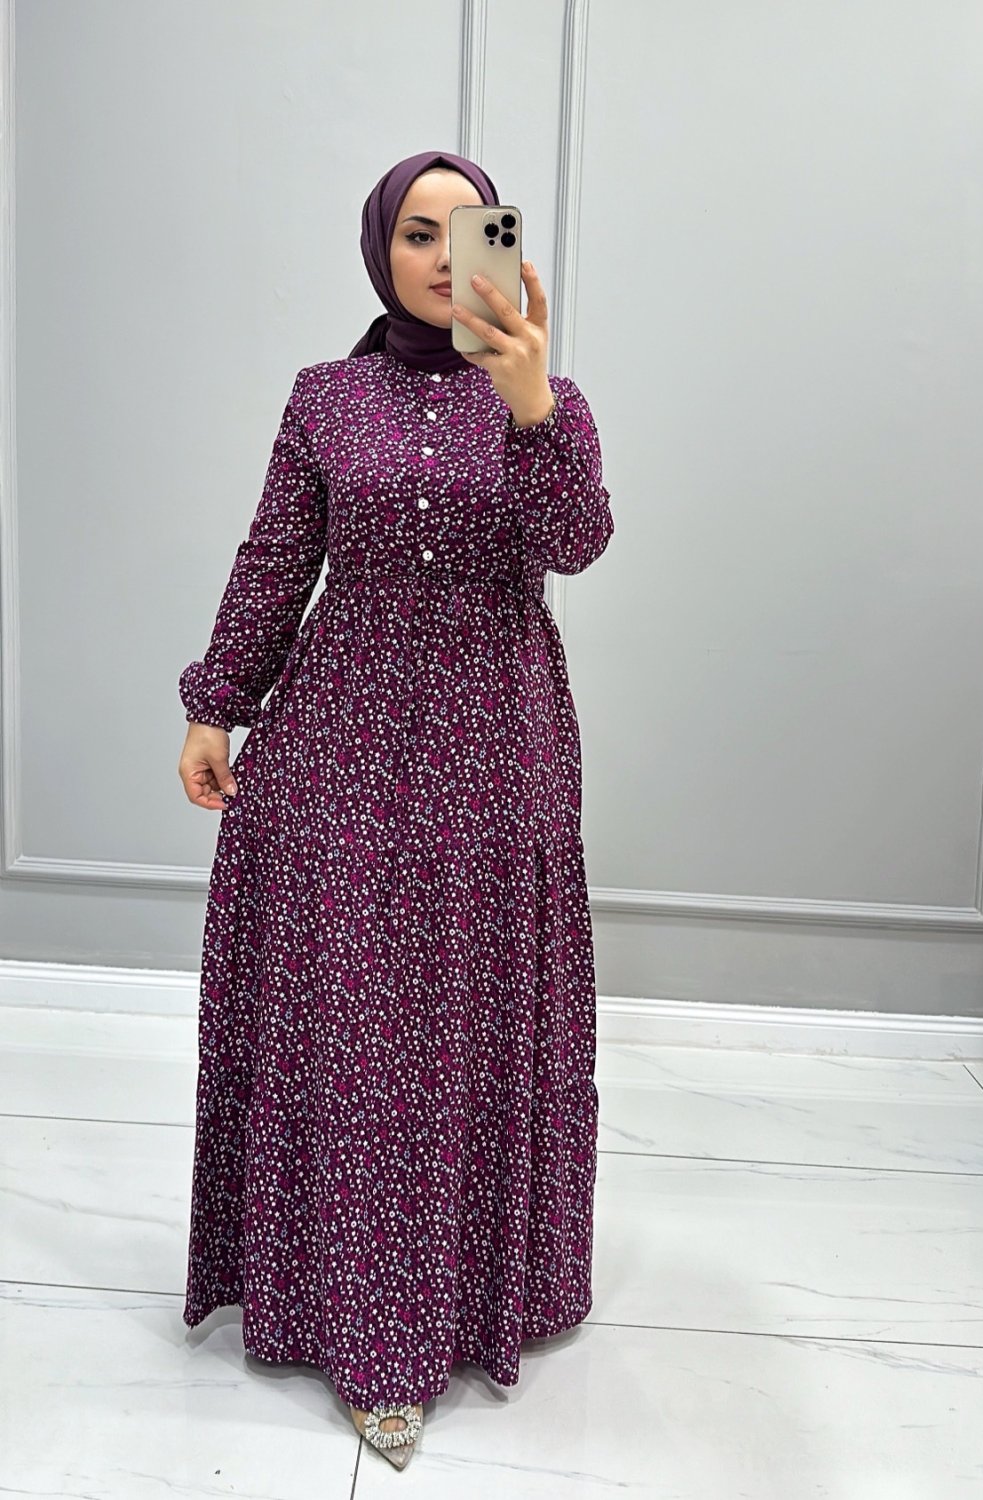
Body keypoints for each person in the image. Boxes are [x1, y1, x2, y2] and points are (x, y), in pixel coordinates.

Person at [176, 149, 614, 1471]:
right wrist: (216, 703)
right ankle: (359, 1320)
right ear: (380, 250)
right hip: (338, 739)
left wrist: (530, 405)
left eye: (465, 232)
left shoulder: (549, 396)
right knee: (357, 1031)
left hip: (494, 744)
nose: (439, 257)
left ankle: (463, 1301)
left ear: (501, 247)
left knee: (460, 1024)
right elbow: (277, 557)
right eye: (416, 234)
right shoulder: (324, 396)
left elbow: (577, 541)